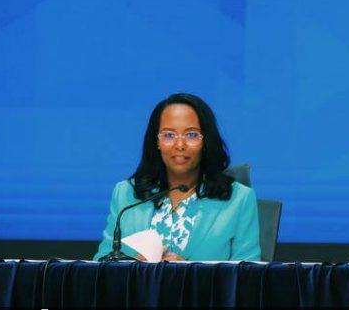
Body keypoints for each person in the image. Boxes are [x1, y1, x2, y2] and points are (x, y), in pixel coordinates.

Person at [94, 92, 261, 262]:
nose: (180, 145)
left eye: (191, 135)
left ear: (205, 141)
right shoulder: (126, 194)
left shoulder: (239, 199)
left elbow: (248, 274)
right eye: (168, 135)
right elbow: (101, 264)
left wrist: (188, 273)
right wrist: (131, 267)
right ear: (156, 141)